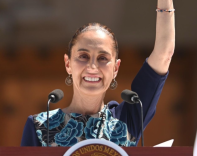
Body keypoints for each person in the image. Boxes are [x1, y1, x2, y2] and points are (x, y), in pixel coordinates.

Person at [21, 0, 175, 147]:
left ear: (115, 68)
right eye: (83, 56)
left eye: (103, 58)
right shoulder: (40, 127)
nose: (92, 66)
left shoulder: (127, 119)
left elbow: (164, 53)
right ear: (68, 64)